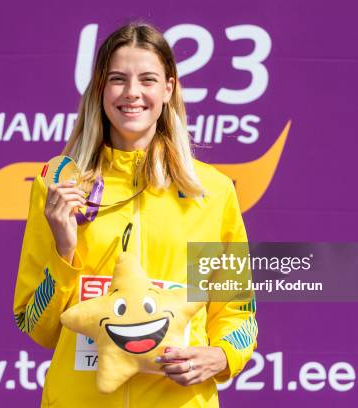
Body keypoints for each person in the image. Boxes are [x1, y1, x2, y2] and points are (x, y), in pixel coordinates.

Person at [13, 21, 257, 407]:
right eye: (117, 79)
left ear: (168, 89)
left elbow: (237, 312)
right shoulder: (58, 184)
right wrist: (64, 250)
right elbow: (34, 324)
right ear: (99, 89)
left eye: (147, 79)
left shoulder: (210, 192)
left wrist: (221, 357)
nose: (132, 93)